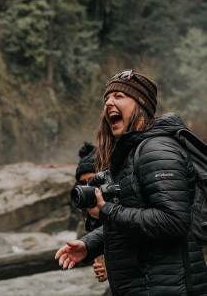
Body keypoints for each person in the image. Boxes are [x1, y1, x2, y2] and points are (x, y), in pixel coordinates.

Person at [55, 70, 207, 296]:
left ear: (142, 104)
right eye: (106, 98)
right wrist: (90, 244)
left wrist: (106, 210)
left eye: (119, 96)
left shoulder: (156, 149)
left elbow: (173, 221)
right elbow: (137, 217)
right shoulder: (132, 152)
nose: (109, 103)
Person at [75, 142, 107, 283]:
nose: (88, 186)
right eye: (83, 182)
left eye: (92, 180)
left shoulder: (121, 201)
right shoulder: (87, 210)